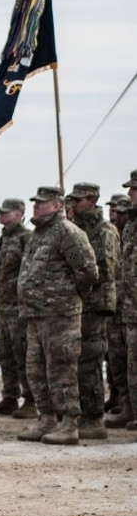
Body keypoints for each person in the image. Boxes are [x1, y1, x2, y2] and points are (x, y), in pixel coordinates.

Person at [17, 186, 98, 445]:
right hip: (36, 316)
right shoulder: (37, 235)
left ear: (57, 205)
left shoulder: (68, 233)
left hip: (60, 316)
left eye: (41, 203)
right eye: (35, 202)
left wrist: (67, 296)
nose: (35, 206)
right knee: (36, 370)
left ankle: (69, 423)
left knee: (61, 370)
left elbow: (88, 272)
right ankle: (47, 419)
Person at [66, 183, 119, 440]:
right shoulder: (76, 229)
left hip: (95, 306)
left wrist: (75, 276)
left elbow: (106, 270)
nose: (73, 204)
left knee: (90, 363)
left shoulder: (104, 231)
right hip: (77, 305)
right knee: (76, 363)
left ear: (92, 200)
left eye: (78, 200)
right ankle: (81, 414)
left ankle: (94, 418)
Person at [0, 199, 35, 418]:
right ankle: (10, 396)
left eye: (6, 213)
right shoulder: (1, 240)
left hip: (20, 307)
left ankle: (31, 399)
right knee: (5, 355)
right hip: (4, 306)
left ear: (19, 214)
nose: (1, 216)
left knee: (22, 353)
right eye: (0, 213)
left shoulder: (27, 238)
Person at [104, 194, 131, 416]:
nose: (116, 215)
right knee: (115, 359)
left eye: (120, 211)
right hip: (116, 308)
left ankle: (128, 404)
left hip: (129, 308)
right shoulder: (116, 235)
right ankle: (122, 399)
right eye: (114, 210)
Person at [117, 174, 137, 437]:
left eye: (134, 190)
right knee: (132, 366)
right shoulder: (131, 226)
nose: (130, 195)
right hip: (132, 310)